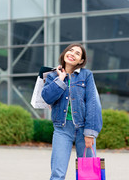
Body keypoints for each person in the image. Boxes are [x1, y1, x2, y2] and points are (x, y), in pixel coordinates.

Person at [41, 43, 103, 180]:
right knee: (57, 173)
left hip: (83, 129)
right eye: (70, 50)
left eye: (77, 53)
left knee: (89, 175)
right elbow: (47, 98)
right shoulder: (52, 76)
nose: (72, 54)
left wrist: (90, 133)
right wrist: (60, 79)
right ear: (64, 54)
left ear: (81, 61)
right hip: (62, 129)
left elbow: (93, 103)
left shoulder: (86, 75)